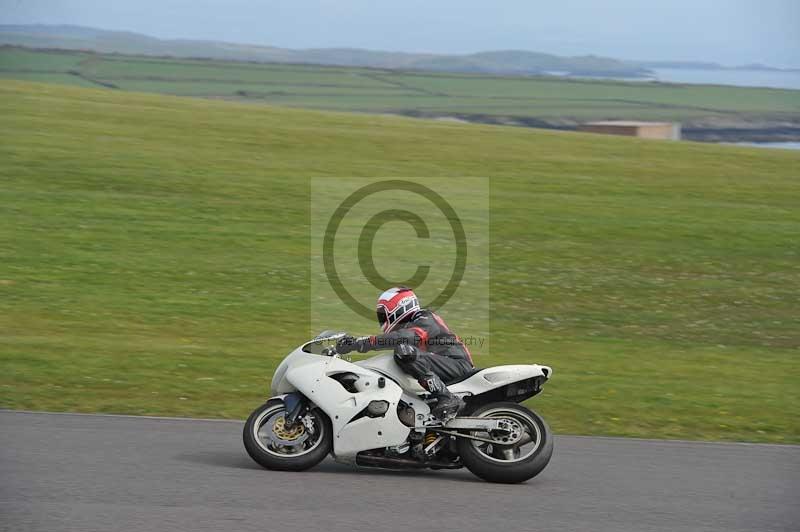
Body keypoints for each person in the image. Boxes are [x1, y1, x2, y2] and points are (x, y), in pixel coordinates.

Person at [336, 286, 474, 420]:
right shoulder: (414, 323)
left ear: (400, 308)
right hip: (441, 363)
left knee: (404, 351)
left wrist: (362, 343)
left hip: (457, 364)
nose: (382, 319)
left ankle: (447, 397)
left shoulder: (424, 317)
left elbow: (405, 337)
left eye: (384, 314)